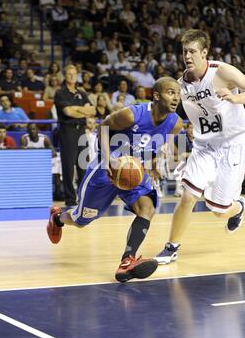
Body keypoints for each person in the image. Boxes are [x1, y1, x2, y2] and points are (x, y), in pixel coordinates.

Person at [47, 77, 184, 282]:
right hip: (106, 170)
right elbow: (103, 126)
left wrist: (153, 163)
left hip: (133, 170)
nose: (176, 98)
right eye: (171, 92)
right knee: (81, 220)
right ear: (156, 96)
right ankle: (58, 218)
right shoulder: (132, 115)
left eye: (178, 94)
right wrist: (109, 160)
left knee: (147, 208)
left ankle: (127, 261)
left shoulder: (176, 124)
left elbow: (155, 144)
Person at [155, 29, 245, 264]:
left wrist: (236, 98)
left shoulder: (222, 72)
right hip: (205, 146)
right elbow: (168, 117)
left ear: (204, 53)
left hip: (233, 144)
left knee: (218, 210)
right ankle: (171, 247)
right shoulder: (179, 85)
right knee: (188, 196)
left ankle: (238, 206)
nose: (187, 56)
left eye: (193, 51)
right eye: (184, 51)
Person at [54, 64, 95, 207]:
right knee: (69, 168)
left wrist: (77, 110)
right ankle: (70, 200)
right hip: (68, 131)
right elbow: (68, 112)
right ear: (65, 75)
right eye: (69, 74)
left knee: (83, 166)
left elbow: (92, 110)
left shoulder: (82, 93)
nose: (72, 76)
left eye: (74, 74)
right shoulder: (60, 93)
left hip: (81, 131)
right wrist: (81, 110)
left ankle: (84, 198)